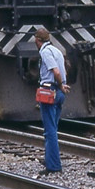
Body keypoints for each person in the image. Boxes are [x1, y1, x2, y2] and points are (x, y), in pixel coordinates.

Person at [34, 26, 70, 175]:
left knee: (50, 131)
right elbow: (63, 70)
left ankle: (54, 166)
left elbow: (55, 71)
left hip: (51, 92)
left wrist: (60, 85)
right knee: (52, 129)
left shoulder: (45, 52)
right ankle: (50, 158)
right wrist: (63, 84)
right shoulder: (57, 51)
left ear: (37, 40)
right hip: (59, 93)